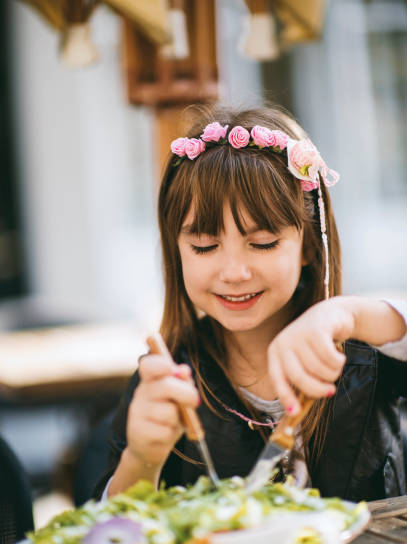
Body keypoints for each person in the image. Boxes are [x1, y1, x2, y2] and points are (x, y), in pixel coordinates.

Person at [94, 106, 407, 503]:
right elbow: (107, 537)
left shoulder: (366, 350)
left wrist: (348, 313)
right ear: (177, 253)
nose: (234, 272)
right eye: (204, 247)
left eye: (262, 244)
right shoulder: (170, 380)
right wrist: (141, 460)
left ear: (309, 245)